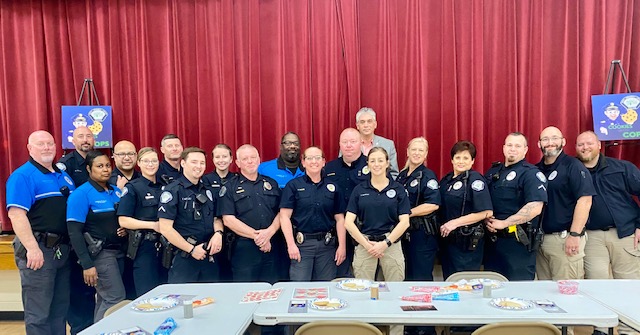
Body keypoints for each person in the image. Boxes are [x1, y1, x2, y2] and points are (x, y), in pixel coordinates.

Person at [6, 130, 75, 335]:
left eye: (50, 143)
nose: (46, 147)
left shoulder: (63, 175)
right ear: (29, 148)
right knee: (39, 314)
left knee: (59, 310)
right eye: (40, 144)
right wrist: (32, 248)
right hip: (39, 251)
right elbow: (17, 215)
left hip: (61, 250)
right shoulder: (22, 176)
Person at [576, 131, 640, 335]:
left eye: (589, 143)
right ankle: (602, 329)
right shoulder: (573, 170)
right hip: (592, 236)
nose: (585, 147)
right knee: (597, 285)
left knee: (628, 286)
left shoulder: (621, 168)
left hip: (625, 234)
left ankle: (629, 330)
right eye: (580, 145)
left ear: (599, 145)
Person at [344, 147, 409, 335]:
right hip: (366, 246)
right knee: (362, 295)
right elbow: (348, 222)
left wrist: (385, 243)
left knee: (395, 295)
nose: (377, 164)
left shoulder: (398, 189)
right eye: (373, 160)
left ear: (388, 163)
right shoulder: (359, 189)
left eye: (381, 160)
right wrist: (367, 245)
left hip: (392, 244)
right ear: (368, 164)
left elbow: (404, 221)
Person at [66, 150, 126, 322]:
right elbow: (74, 231)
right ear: (89, 169)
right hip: (101, 255)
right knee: (115, 298)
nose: (105, 170)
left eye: (108, 165)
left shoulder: (116, 191)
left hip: (119, 252)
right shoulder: (80, 194)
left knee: (105, 300)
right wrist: (87, 264)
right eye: (100, 166)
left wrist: (125, 229)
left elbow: (122, 219)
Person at [484, 133, 547, 281]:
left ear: (525, 150)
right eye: (510, 145)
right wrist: (486, 220)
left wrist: (505, 223)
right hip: (492, 243)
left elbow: (535, 206)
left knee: (519, 292)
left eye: (518, 146)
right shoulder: (493, 172)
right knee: (491, 290)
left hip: (517, 243)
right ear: (504, 148)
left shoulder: (531, 173)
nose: (513, 149)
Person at [535, 126, 594, 282]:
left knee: (566, 291)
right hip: (540, 241)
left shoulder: (573, 166)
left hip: (565, 239)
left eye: (554, 138)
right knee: (545, 293)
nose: (550, 143)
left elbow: (585, 200)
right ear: (539, 144)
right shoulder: (535, 170)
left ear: (563, 141)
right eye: (545, 139)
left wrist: (574, 235)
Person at [279, 146, 346, 281]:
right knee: (300, 289)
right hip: (302, 247)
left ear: (323, 162)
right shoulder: (293, 186)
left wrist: (342, 246)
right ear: (303, 162)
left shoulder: (333, 187)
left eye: (317, 158)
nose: (314, 162)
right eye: (309, 158)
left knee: (326, 288)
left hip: (327, 246)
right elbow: (284, 216)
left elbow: (340, 219)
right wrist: (291, 245)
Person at [157, 147, 223, 283]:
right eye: (194, 162)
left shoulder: (208, 190)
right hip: (184, 257)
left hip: (208, 255)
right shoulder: (173, 190)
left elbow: (216, 218)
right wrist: (192, 249)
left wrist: (218, 233)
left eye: (202, 163)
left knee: (211, 299)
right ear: (183, 163)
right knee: (182, 300)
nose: (198, 166)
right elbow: (165, 228)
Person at [218, 144, 281, 284]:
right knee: (245, 292)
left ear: (259, 160)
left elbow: (281, 213)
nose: (250, 161)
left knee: (272, 290)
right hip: (244, 249)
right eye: (245, 159)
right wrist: (258, 237)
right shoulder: (229, 187)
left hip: (271, 245)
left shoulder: (271, 183)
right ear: (238, 163)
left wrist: (269, 233)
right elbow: (228, 219)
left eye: (253, 157)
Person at [58, 125, 95, 335]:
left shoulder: (99, 160)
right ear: (73, 141)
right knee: (78, 290)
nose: (85, 140)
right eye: (80, 136)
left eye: (89, 136)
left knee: (92, 290)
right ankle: (80, 330)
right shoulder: (65, 166)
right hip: (76, 234)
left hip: (97, 234)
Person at [438, 141, 493, 279]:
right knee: (449, 281)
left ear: (472, 161)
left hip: (466, 243)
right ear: (451, 159)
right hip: (448, 243)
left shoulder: (475, 180)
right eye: (457, 157)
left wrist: (454, 223)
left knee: (465, 284)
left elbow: (486, 211)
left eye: (466, 158)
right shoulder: (446, 180)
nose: (461, 161)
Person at [117, 147, 168, 296]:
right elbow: (123, 220)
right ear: (139, 163)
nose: (150, 164)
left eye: (153, 161)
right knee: (147, 294)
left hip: (166, 246)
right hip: (144, 246)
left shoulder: (165, 186)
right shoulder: (133, 188)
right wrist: (153, 225)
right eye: (146, 161)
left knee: (167, 292)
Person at [324, 128, 370, 277]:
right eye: (345, 142)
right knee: (340, 274)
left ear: (361, 143)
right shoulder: (329, 168)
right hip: (337, 229)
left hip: (365, 229)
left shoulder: (372, 165)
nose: (348, 145)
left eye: (353, 141)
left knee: (365, 274)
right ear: (339, 144)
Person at [396, 137, 440, 281]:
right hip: (403, 234)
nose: (416, 153)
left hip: (422, 235)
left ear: (426, 154)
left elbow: (433, 204)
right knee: (405, 276)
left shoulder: (428, 176)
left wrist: (407, 213)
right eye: (413, 149)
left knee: (420, 277)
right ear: (407, 152)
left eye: (420, 150)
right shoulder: (402, 176)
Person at [201, 143, 237, 282]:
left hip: (234, 233)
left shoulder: (237, 179)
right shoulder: (204, 180)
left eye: (224, 156)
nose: (221, 160)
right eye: (217, 157)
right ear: (212, 159)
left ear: (231, 159)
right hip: (212, 233)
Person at [354, 107, 399, 179]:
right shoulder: (349, 145)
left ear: (375, 124)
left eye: (369, 121)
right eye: (362, 122)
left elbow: (394, 173)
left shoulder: (388, 145)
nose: (366, 125)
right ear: (357, 125)